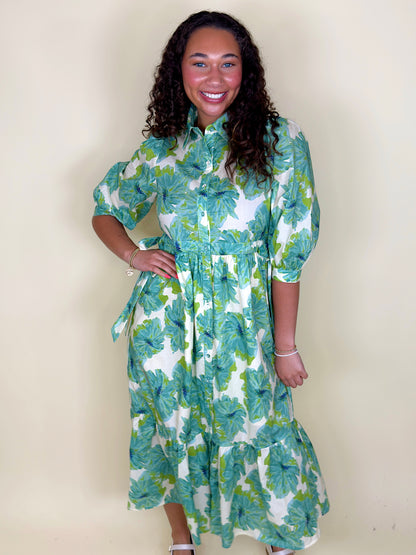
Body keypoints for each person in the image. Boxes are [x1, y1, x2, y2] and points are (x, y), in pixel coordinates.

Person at [92, 10, 329, 555]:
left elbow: (288, 254)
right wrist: (134, 253)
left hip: (244, 321)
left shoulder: (280, 141)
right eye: (199, 63)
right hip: (166, 322)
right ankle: (181, 538)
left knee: (259, 425)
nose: (214, 77)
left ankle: (278, 535)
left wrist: (285, 346)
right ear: (179, 71)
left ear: (247, 71)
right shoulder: (163, 148)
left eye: (228, 63)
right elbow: (106, 209)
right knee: (169, 425)